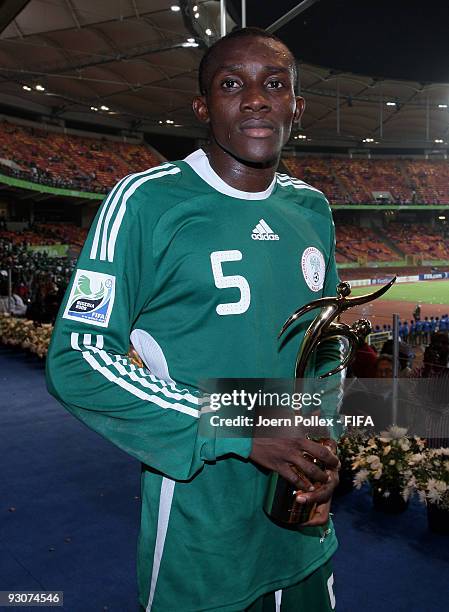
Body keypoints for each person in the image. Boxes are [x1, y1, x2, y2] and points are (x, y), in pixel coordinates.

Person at [47, 28, 341, 612]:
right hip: (201, 531)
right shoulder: (145, 202)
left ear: (296, 108)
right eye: (232, 84)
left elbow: (326, 346)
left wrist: (321, 437)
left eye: (274, 85)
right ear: (203, 108)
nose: (255, 99)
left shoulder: (312, 208)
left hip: (303, 525)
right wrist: (239, 425)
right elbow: (78, 358)